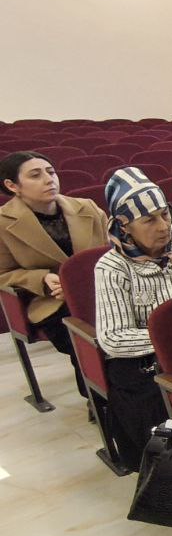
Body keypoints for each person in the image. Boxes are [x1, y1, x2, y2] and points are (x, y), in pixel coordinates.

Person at [93, 167, 172, 470]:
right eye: (149, 220)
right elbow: (113, 338)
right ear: (125, 226)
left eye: (164, 214)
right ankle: (170, 477)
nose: (163, 226)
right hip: (144, 358)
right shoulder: (112, 267)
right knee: (154, 409)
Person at [0, 151, 109, 398]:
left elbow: (110, 252)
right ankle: (98, 399)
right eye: (35, 175)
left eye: (51, 172)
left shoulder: (87, 208)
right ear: (12, 185)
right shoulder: (3, 223)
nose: (49, 179)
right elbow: (3, 274)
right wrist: (40, 279)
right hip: (51, 300)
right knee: (87, 338)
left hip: (99, 290)